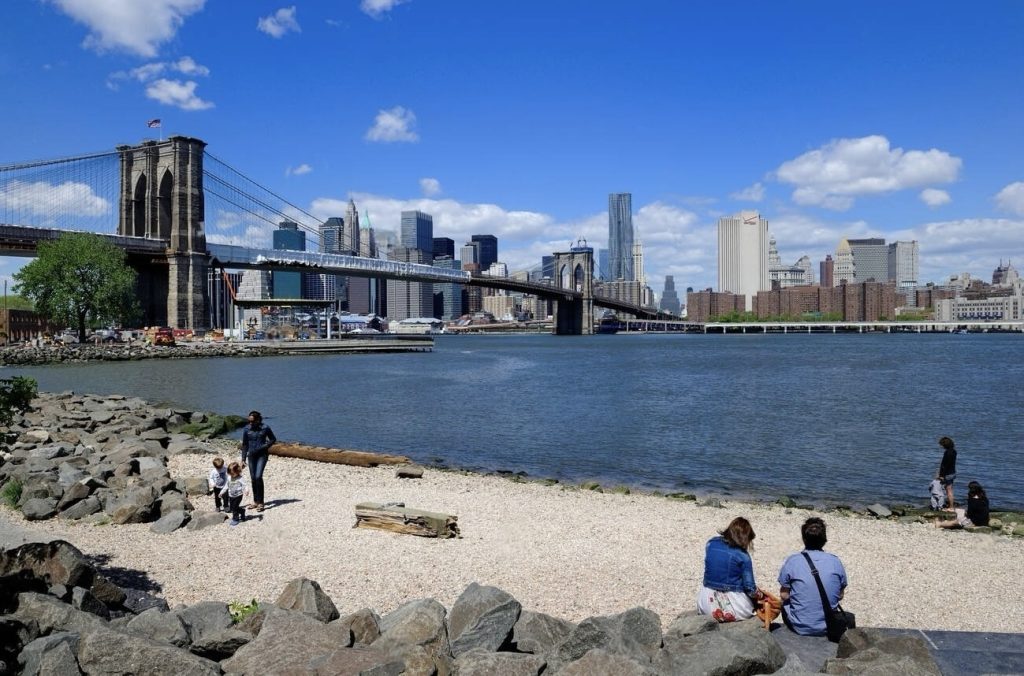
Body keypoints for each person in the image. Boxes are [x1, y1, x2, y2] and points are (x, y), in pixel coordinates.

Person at [778, 517, 848, 636]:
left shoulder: (793, 561)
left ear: (804, 539)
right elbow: (840, 595)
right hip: (829, 626)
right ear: (824, 539)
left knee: (784, 602)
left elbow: (784, 595)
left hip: (799, 626)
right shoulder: (835, 561)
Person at [697, 516, 766, 622]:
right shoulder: (743, 556)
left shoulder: (711, 543)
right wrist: (761, 595)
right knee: (755, 605)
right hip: (732, 606)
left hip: (705, 603)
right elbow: (750, 588)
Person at [239, 410, 276, 512]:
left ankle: (261, 503)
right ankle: (255, 501)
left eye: (252, 421)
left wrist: (265, 446)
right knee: (253, 478)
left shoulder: (265, 428)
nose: (250, 423)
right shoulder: (246, 429)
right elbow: (245, 445)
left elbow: (273, 439)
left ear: (258, 420)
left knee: (258, 477)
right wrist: (243, 459)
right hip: (251, 456)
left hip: (262, 455)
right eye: (249, 421)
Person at [219, 461, 248, 526]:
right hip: (231, 495)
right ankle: (242, 511)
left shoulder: (240, 478)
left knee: (234, 508)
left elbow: (245, 485)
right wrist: (221, 492)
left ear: (237, 472)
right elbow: (226, 486)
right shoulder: (229, 478)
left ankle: (236, 519)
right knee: (232, 508)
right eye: (230, 474)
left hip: (238, 496)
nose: (231, 475)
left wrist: (246, 490)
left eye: (232, 474)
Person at [937, 436, 957, 510]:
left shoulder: (947, 453)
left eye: (942, 445)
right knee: (949, 489)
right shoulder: (954, 451)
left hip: (947, 474)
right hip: (952, 472)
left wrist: (942, 475)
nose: (941, 446)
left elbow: (945, 465)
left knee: (949, 490)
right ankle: (950, 505)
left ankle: (951, 507)